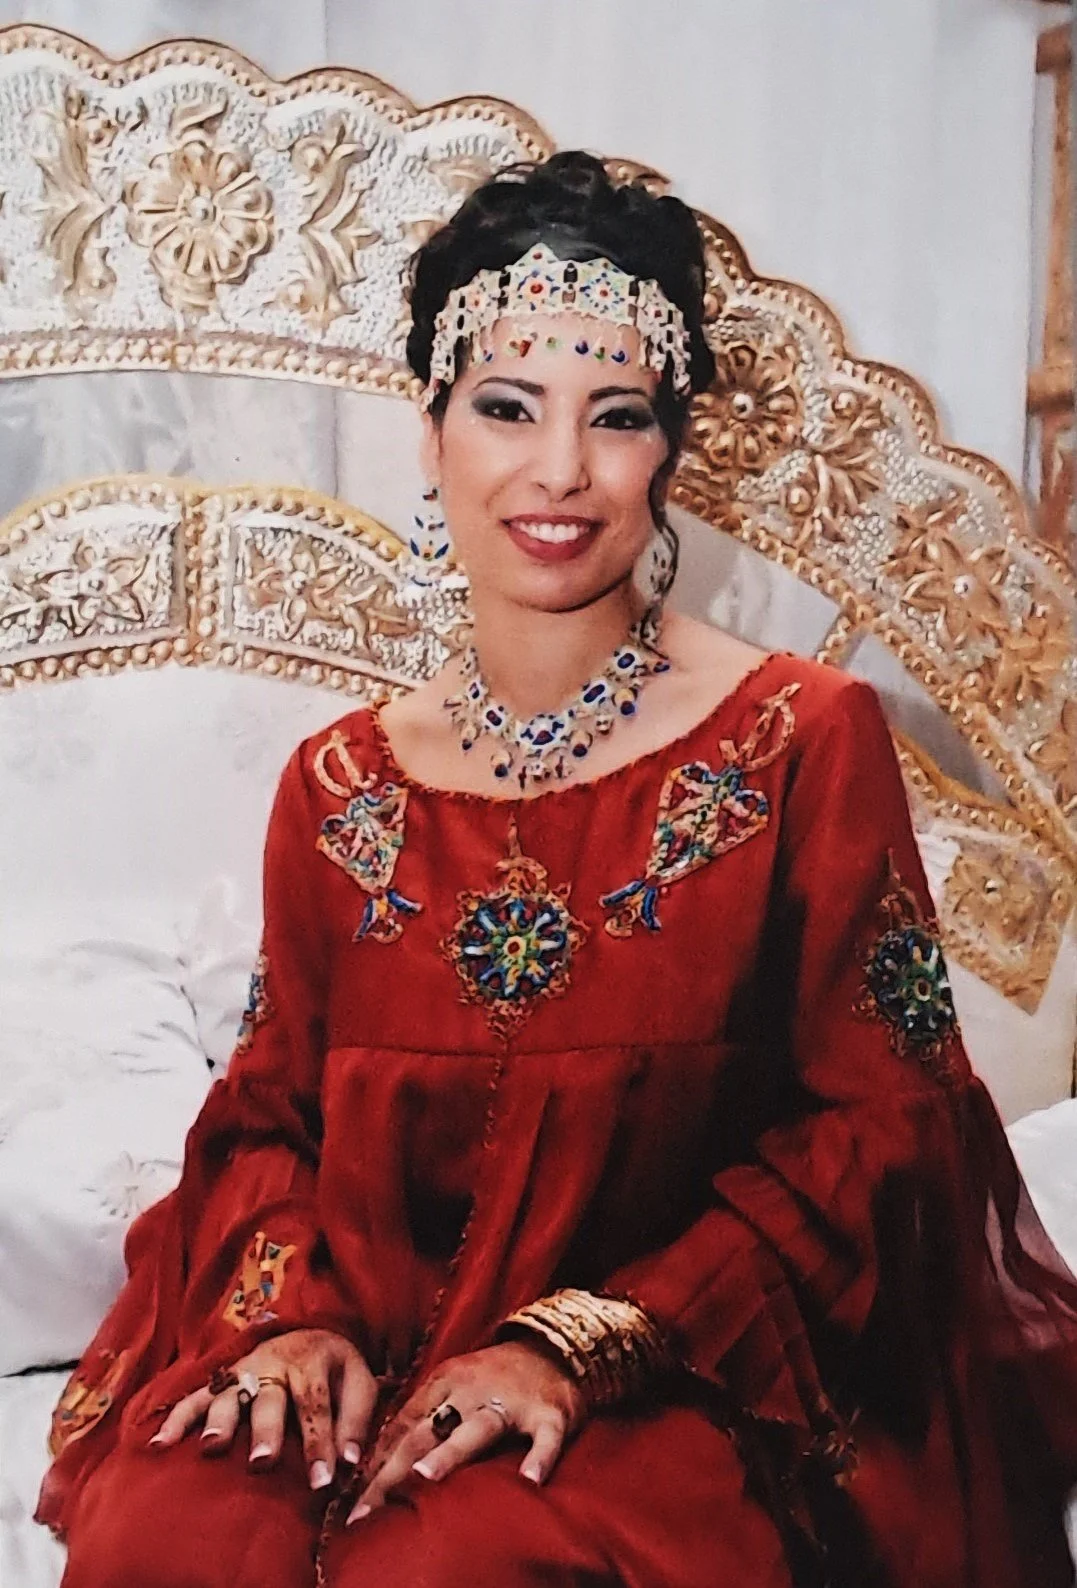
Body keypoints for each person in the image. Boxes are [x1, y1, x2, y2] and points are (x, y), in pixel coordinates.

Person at [37, 151, 1077, 1588]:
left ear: (671, 452)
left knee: (451, 1562)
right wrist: (294, 1322)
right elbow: (269, 1120)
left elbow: (883, 1135)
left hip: (676, 1371)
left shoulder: (800, 742)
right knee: (176, 1530)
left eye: (619, 417)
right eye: (508, 407)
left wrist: (577, 1342)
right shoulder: (340, 786)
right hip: (364, 1349)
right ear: (432, 434)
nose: (562, 472)